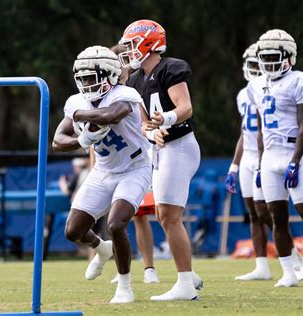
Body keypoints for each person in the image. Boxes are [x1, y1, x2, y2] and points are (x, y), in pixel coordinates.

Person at [52, 45, 152, 303]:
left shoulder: (125, 94)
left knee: (116, 223)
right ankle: (102, 248)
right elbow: (58, 140)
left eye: (90, 77)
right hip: (104, 171)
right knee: (73, 231)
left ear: (108, 75)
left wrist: (77, 115)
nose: (85, 83)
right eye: (82, 78)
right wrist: (81, 140)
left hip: (134, 168)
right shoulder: (76, 100)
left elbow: (111, 114)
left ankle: (125, 286)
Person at [118, 19, 202, 301]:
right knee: (164, 216)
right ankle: (188, 274)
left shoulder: (170, 68)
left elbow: (185, 107)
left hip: (179, 145)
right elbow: (143, 123)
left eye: (131, 45)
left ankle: (186, 284)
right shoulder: (135, 79)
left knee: (169, 216)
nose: (128, 52)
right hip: (161, 149)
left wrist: (166, 119)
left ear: (149, 43)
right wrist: (150, 133)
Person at [248, 29, 303, 287]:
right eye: (265, 57)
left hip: (296, 153)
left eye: (274, 57)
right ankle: (289, 273)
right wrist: (260, 164)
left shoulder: (299, 80)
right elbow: (260, 129)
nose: (269, 63)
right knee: (275, 216)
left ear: (289, 57)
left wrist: (295, 160)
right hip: (270, 157)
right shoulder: (255, 85)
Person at [109, 44, 160, 284]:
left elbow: (146, 122)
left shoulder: (138, 83)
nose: (123, 63)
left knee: (157, 213)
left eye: (125, 58)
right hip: (114, 161)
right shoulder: (106, 89)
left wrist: (154, 135)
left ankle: (151, 267)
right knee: (117, 217)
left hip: (143, 156)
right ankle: (120, 267)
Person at [225, 43, 274, 280]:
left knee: (267, 211)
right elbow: (245, 133)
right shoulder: (243, 94)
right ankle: (261, 265)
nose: (254, 68)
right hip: (249, 156)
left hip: (269, 155)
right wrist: (234, 166)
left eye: (258, 64)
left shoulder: (271, 88)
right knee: (254, 213)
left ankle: (295, 258)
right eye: (251, 64)